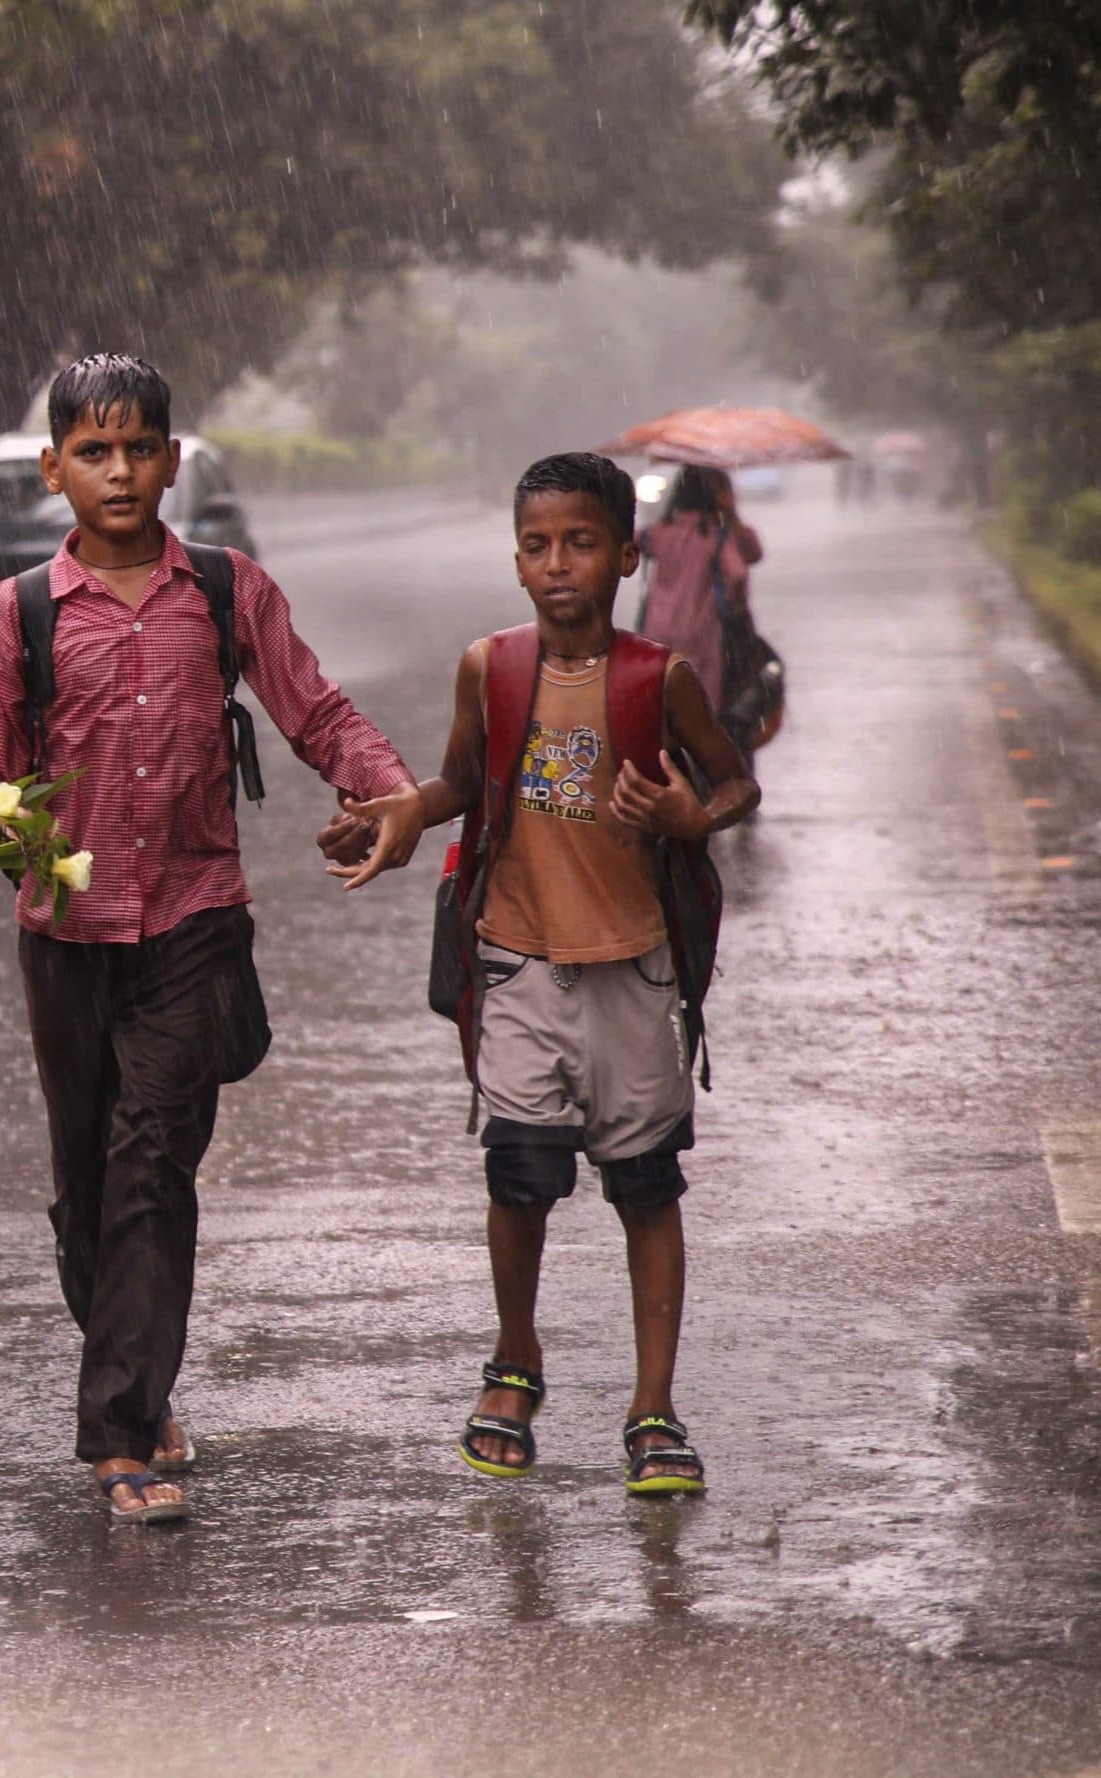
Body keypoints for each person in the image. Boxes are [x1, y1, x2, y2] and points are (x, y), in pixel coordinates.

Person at [0, 354, 423, 1525]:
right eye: (94, 452)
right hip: (65, 934)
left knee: (150, 1165)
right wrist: (1, 826)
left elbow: (313, 707)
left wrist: (391, 790)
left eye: (140, 448)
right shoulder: (18, 614)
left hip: (196, 922)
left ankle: (116, 1438)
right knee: (85, 1192)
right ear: (55, 468)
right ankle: (144, 1385)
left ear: (172, 460)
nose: (119, 471)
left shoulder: (224, 590)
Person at [402, 451, 756, 1496]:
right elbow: (462, 780)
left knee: (644, 1188)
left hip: (635, 974)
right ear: (515, 561)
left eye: (581, 542)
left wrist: (690, 814)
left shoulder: (660, 679)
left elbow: (734, 780)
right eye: (536, 544)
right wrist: (401, 814)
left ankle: (653, 1406)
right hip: (516, 962)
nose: (558, 564)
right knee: (518, 1177)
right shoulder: (489, 668)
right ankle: (516, 1360)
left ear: (625, 554)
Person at [636, 464, 762, 750]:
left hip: (656, 632)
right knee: (704, 707)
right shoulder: (716, 535)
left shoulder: (659, 532)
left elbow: (630, 545)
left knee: (662, 700)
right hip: (701, 632)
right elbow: (743, 567)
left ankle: (667, 756)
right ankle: (703, 764)